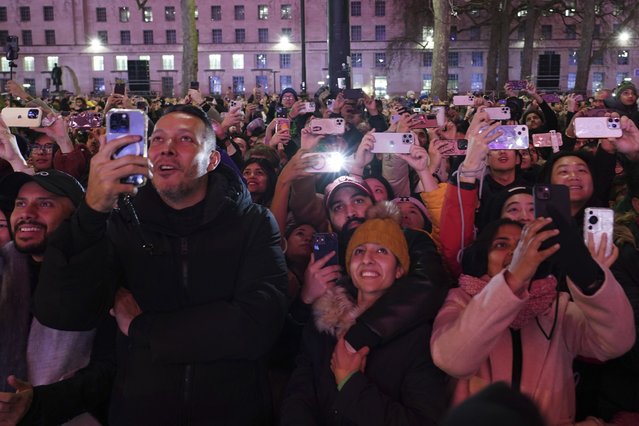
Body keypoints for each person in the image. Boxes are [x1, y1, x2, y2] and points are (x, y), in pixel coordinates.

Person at [33, 105, 289, 425]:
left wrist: (145, 329)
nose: (166, 148)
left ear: (212, 159)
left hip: (233, 412)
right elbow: (62, 312)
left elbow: (258, 324)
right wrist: (91, 213)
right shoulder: (121, 222)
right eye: (157, 139)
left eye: (185, 139)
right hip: (141, 412)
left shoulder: (253, 223)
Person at [430, 217, 635, 426]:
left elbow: (617, 342)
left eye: (523, 245)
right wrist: (513, 279)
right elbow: (453, 360)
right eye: (501, 244)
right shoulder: (460, 300)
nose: (516, 252)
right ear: (484, 255)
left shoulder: (556, 307)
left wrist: (591, 282)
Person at [281, 202, 449, 425]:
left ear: (399, 269)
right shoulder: (322, 321)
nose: (368, 259)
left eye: (381, 250)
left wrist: (351, 385)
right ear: (350, 266)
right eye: (359, 251)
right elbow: (300, 391)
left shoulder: (418, 338)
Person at [0, 170, 115, 425]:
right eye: (21, 203)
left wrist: (39, 403)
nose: (27, 213)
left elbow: (110, 368)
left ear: (74, 215)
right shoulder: (5, 267)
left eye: (45, 203)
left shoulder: (101, 274)